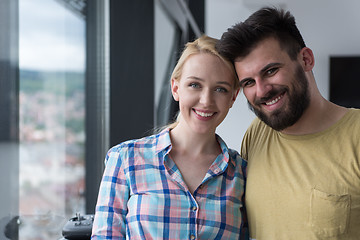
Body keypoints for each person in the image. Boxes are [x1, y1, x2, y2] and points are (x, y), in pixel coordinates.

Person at [216, 6, 360, 240]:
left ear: (306, 59)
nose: (262, 91)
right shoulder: (257, 133)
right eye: (249, 82)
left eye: (271, 71)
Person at [91, 35, 248, 239]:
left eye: (220, 89)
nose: (206, 100)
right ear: (176, 88)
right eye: (194, 85)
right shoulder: (124, 159)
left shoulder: (241, 173)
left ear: (233, 97)